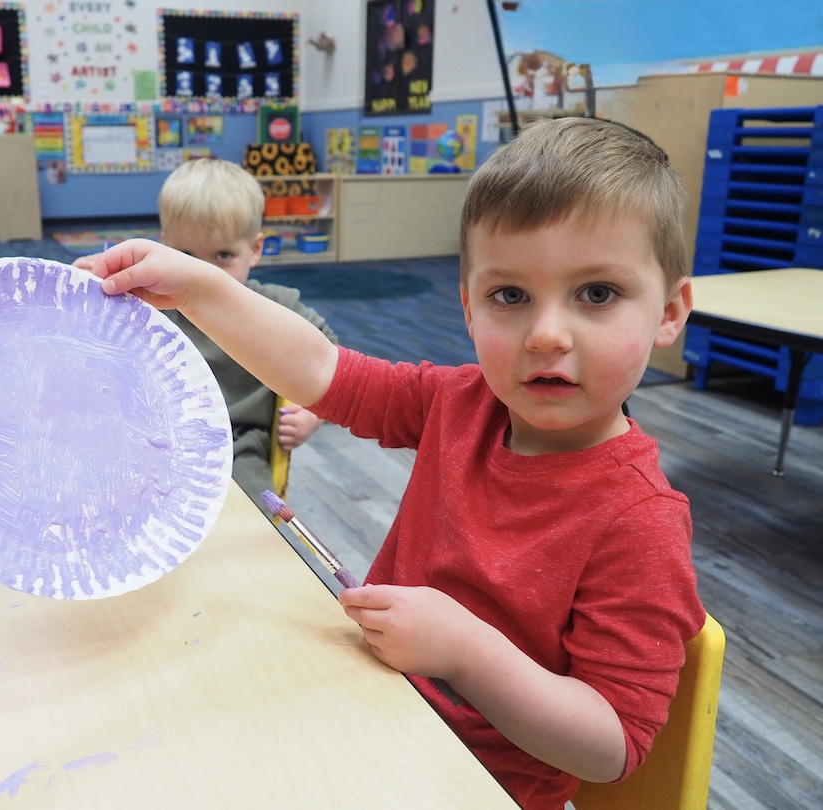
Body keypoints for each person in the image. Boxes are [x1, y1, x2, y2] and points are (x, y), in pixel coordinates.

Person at [81, 118, 707, 810]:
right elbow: (324, 370)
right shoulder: (458, 401)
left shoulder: (640, 521)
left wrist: (465, 651)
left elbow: (614, 745)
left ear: (669, 312)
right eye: (510, 296)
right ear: (469, 307)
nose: (547, 334)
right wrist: (200, 289)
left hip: (468, 783)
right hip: (360, 711)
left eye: (597, 294)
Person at [74, 158, 337, 515]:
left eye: (223, 255)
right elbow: (91, 345)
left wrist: (311, 415)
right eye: (186, 256)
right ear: (165, 248)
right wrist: (86, 290)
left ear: (255, 250)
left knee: (253, 521)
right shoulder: (150, 302)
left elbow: (330, 359)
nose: (202, 272)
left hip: (238, 444)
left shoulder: (275, 306)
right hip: (153, 438)